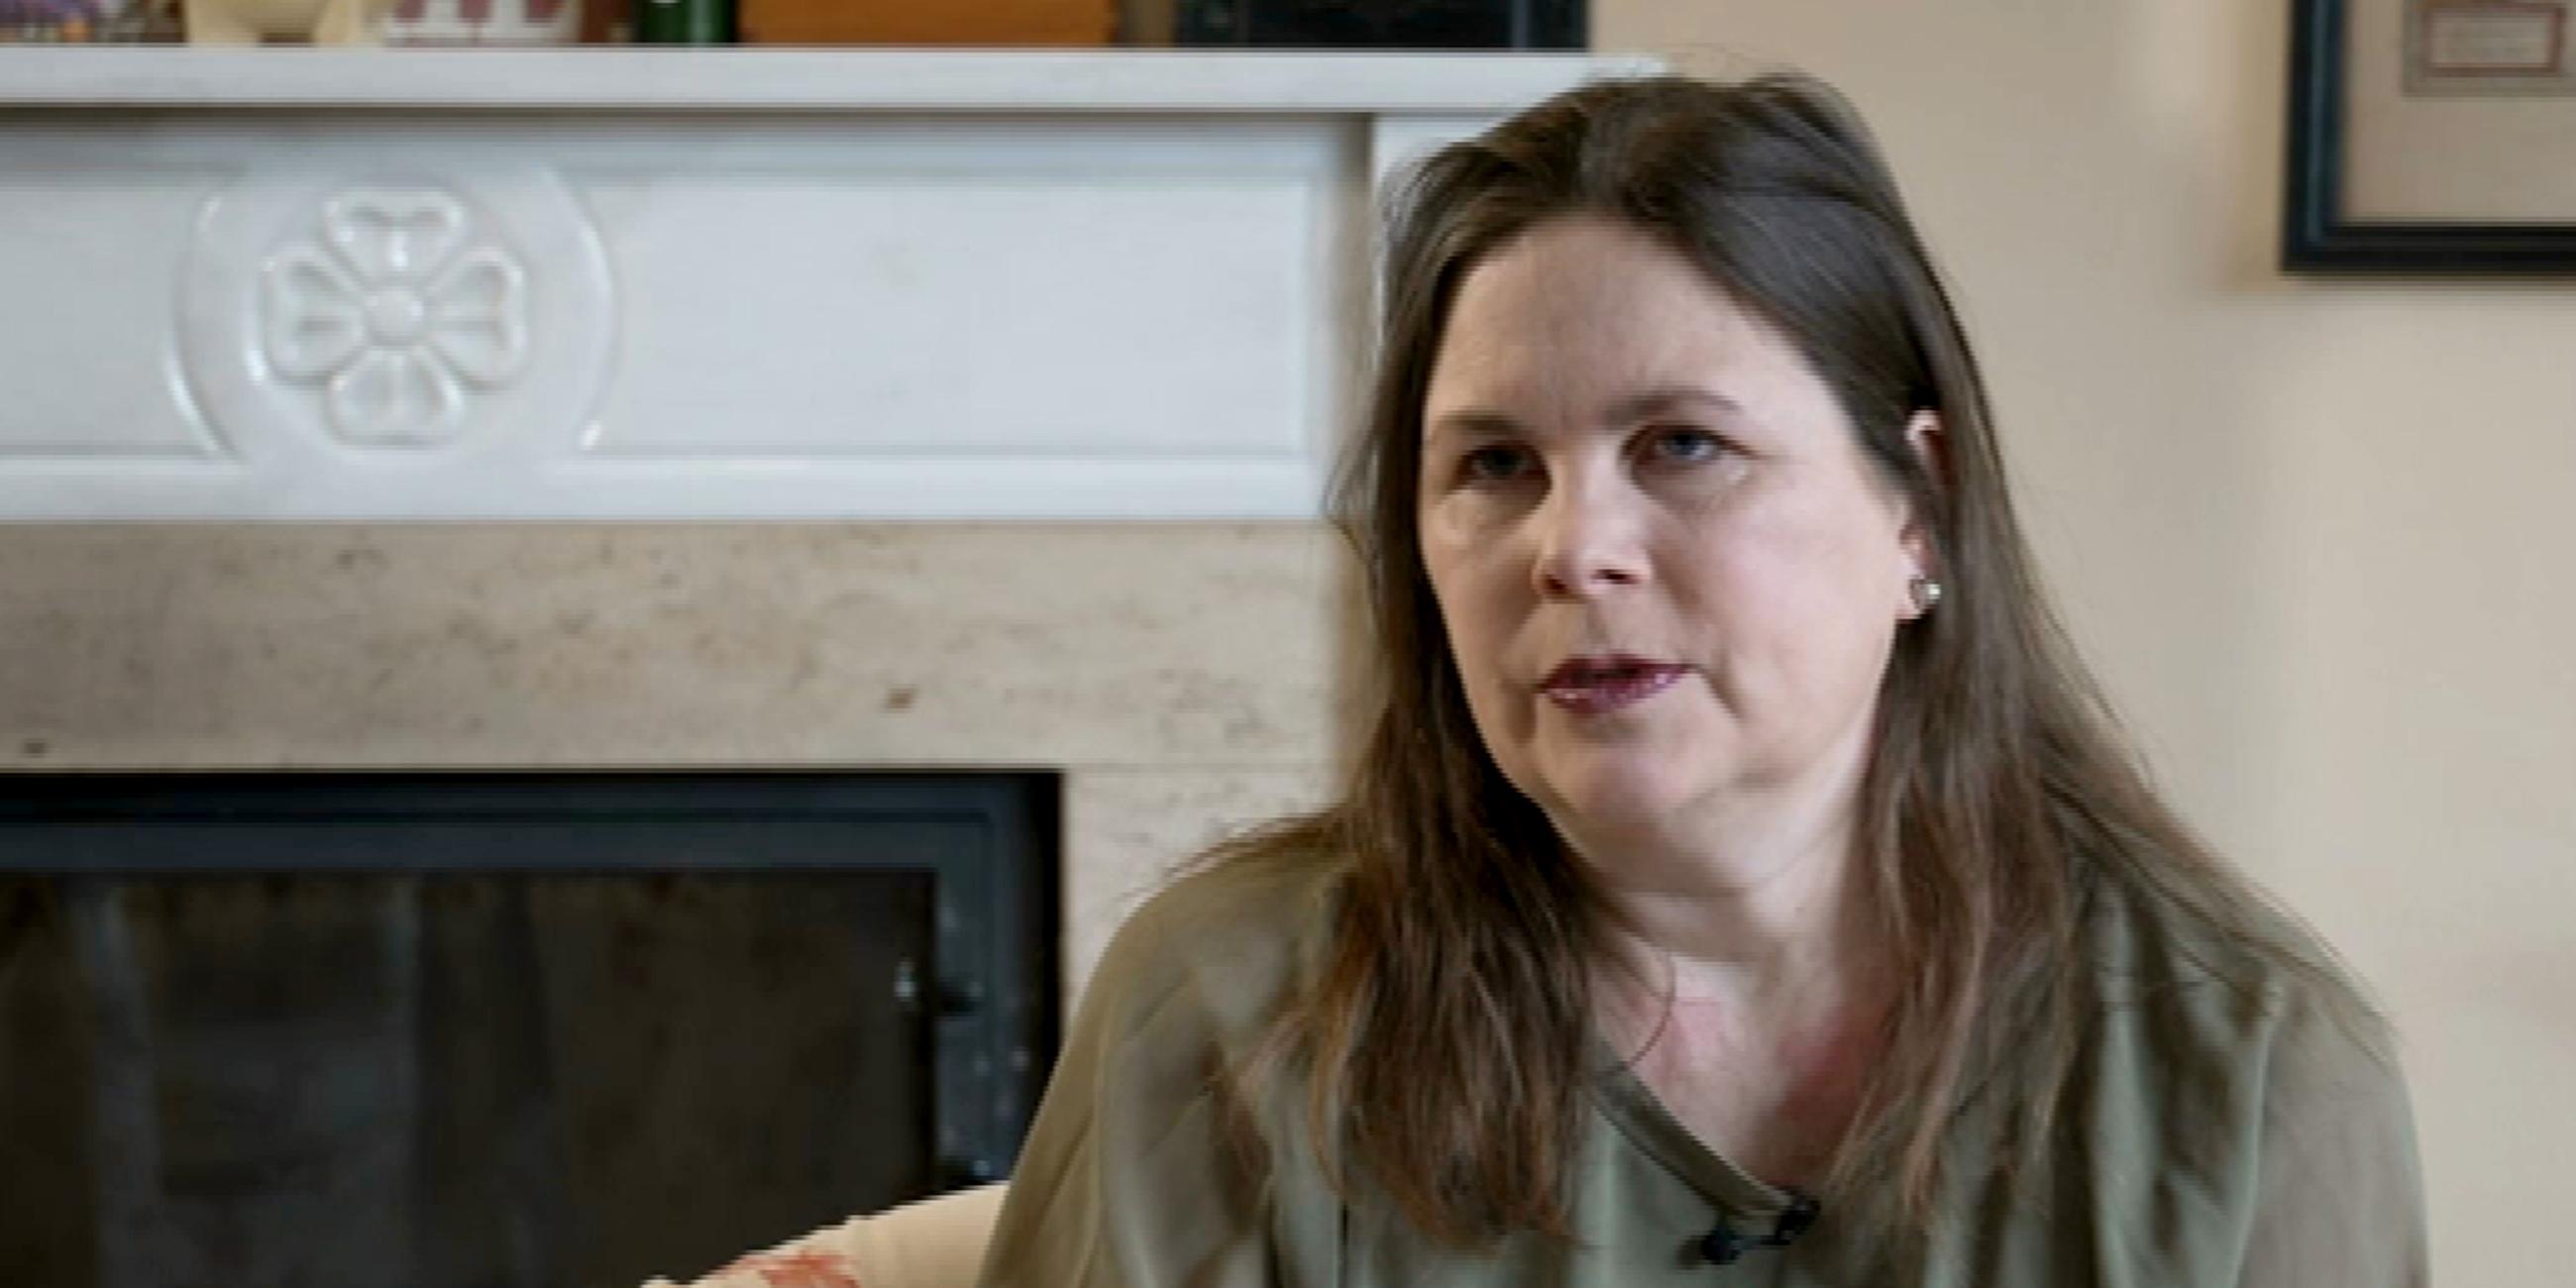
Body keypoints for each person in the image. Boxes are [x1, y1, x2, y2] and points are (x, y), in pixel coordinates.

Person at [976, 73, 2428, 1286]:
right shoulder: (1230, 1012)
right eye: (1496, 464)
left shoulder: (2251, 1072)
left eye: (1682, 445)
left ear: (1918, 509)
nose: (1572, 549)